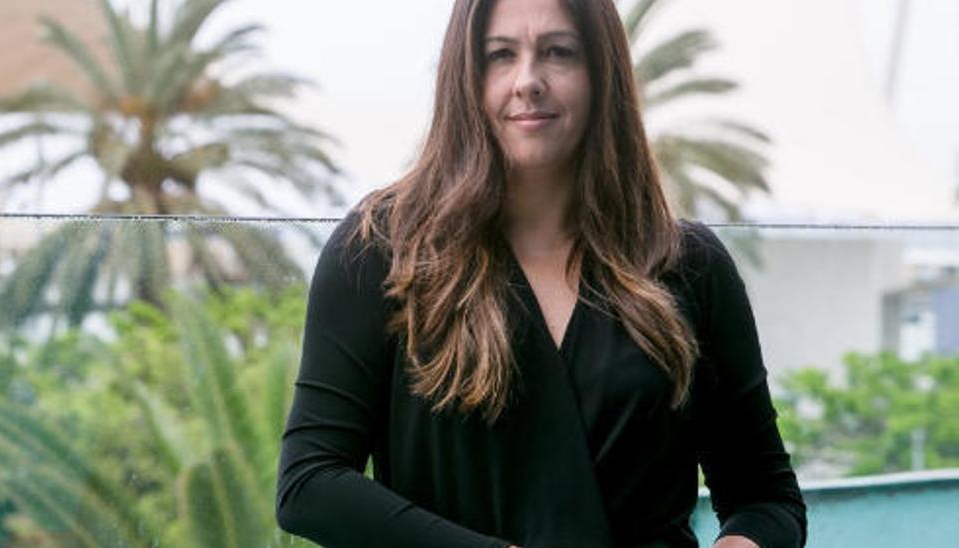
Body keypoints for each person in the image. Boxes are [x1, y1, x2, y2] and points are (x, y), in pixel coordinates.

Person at [274, 0, 807, 546]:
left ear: (602, 73)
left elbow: (765, 497)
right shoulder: (382, 250)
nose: (528, 81)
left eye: (558, 53)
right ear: (465, 77)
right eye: (500, 55)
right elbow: (310, 483)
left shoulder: (688, 265)